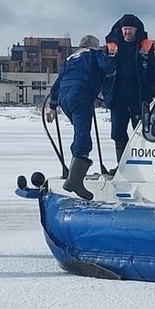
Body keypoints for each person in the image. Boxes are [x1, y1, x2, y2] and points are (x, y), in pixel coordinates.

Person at [45, 35, 116, 200]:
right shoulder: (94, 54)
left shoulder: (70, 59)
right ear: (92, 45)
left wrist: (52, 107)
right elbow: (110, 68)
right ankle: (75, 180)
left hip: (64, 98)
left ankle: (73, 175)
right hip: (81, 95)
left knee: (79, 133)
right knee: (83, 138)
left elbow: (57, 83)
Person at [104, 13, 155, 165]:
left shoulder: (147, 45)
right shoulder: (111, 45)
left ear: (136, 30)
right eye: (125, 29)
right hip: (117, 98)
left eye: (130, 29)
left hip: (139, 97)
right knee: (118, 133)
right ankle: (122, 166)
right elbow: (103, 71)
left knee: (141, 132)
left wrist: (149, 95)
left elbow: (154, 72)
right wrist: (105, 92)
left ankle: (141, 164)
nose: (127, 32)